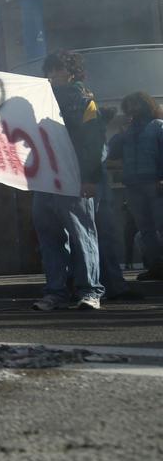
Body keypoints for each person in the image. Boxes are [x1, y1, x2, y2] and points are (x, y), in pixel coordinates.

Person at [31, 50, 105, 311]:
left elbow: (94, 141)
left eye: (57, 70)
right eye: (49, 70)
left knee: (81, 234)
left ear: (72, 72)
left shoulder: (83, 100)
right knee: (49, 236)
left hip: (73, 177)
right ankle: (56, 291)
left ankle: (90, 291)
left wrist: (89, 177)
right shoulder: (40, 99)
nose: (52, 75)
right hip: (45, 179)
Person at [107, 92, 163, 281]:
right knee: (145, 228)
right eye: (129, 105)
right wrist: (120, 134)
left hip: (155, 183)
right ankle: (156, 267)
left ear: (146, 105)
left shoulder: (157, 126)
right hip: (133, 185)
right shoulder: (128, 131)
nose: (132, 109)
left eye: (136, 104)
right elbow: (112, 152)